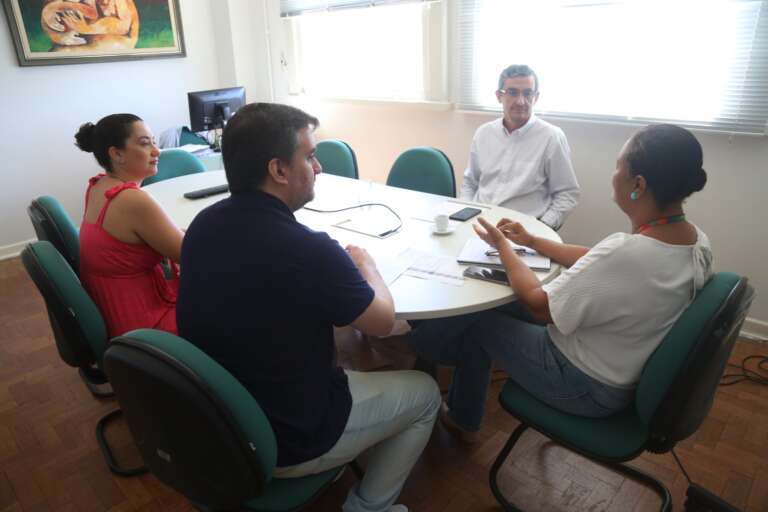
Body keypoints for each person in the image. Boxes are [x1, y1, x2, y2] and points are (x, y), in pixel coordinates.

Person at [177, 103, 440, 512]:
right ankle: (369, 507)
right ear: (279, 170)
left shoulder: (202, 226)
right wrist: (367, 265)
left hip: (219, 422)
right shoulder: (310, 250)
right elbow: (382, 322)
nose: (318, 167)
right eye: (311, 156)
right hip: (288, 438)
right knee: (425, 394)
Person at [410, 124, 712, 440]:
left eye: (618, 165)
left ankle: (423, 355)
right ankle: (449, 389)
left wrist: (502, 246)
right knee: (499, 299)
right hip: (618, 369)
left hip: (584, 386)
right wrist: (531, 241)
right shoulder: (695, 242)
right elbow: (597, 259)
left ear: (638, 183)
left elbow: (539, 306)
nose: (613, 174)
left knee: (480, 317)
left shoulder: (628, 252)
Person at [76, 113, 183, 338]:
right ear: (117, 154)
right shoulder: (132, 200)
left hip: (118, 313)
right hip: (146, 327)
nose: (157, 151)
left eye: (154, 142)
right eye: (145, 144)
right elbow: (190, 254)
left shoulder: (98, 185)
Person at [460, 64, 580, 230]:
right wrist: (467, 216)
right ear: (499, 96)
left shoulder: (551, 137)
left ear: (536, 97)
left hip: (523, 232)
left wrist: (541, 229)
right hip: (480, 224)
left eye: (527, 93)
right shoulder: (483, 133)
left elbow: (567, 194)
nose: (521, 101)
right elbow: (470, 182)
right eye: (513, 92)